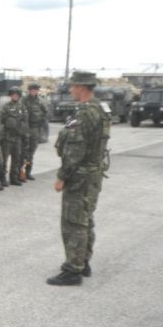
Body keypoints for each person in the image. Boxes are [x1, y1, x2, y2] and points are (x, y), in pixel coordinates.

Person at [48, 71, 110, 286]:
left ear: (81, 87)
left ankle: (73, 269)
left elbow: (76, 150)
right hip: (93, 174)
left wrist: (62, 176)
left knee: (73, 221)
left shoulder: (85, 113)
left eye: (73, 86)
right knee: (85, 219)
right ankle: (83, 262)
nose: (70, 89)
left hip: (80, 176)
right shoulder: (100, 108)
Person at [0, 86, 28, 186]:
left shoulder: (22, 107)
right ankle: (2, 178)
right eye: (13, 95)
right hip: (7, 137)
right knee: (4, 159)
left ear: (19, 96)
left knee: (16, 158)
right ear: (11, 95)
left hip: (17, 137)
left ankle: (14, 178)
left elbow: (25, 120)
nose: (15, 96)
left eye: (17, 95)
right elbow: (1, 120)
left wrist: (23, 131)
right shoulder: (6, 107)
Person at [22, 82, 48, 180]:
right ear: (29, 90)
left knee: (31, 152)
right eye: (32, 90)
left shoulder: (40, 101)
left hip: (36, 129)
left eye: (35, 90)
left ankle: (28, 172)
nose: (34, 91)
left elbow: (46, 112)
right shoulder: (24, 100)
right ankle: (21, 172)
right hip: (26, 128)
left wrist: (42, 121)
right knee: (23, 152)